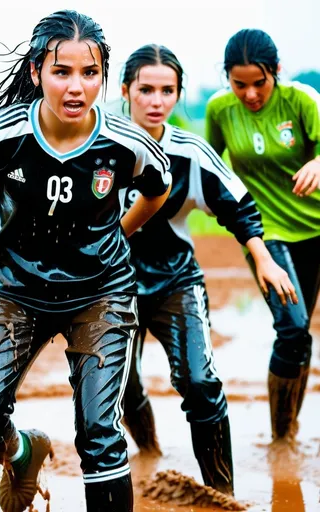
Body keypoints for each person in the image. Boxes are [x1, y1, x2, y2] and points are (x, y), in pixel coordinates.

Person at [0, 10, 172, 512]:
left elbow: (158, 189)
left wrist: (118, 233)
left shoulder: (127, 142)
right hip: (16, 292)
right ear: (36, 72)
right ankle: (23, 452)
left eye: (90, 73)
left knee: (98, 432)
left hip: (101, 292)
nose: (76, 87)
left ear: (104, 75)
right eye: (61, 72)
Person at [118, 44, 297, 496]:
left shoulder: (190, 151)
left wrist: (263, 257)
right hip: (113, 285)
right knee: (122, 386)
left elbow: (237, 205)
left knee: (199, 381)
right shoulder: (99, 147)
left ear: (177, 95)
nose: (157, 101)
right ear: (126, 91)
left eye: (167, 90)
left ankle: (222, 493)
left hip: (176, 279)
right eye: (146, 90)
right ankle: (149, 452)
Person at [205, 29, 320, 450]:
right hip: (263, 233)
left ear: (277, 73)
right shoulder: (220, 111)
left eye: (260, 82)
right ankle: (281, 437)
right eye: (240, 84)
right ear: (228, 79)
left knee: (301, 331)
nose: (250, 93)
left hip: (314, 229)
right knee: (291, 329)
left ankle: (289, 428)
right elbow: (210, 167)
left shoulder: (302, 101)